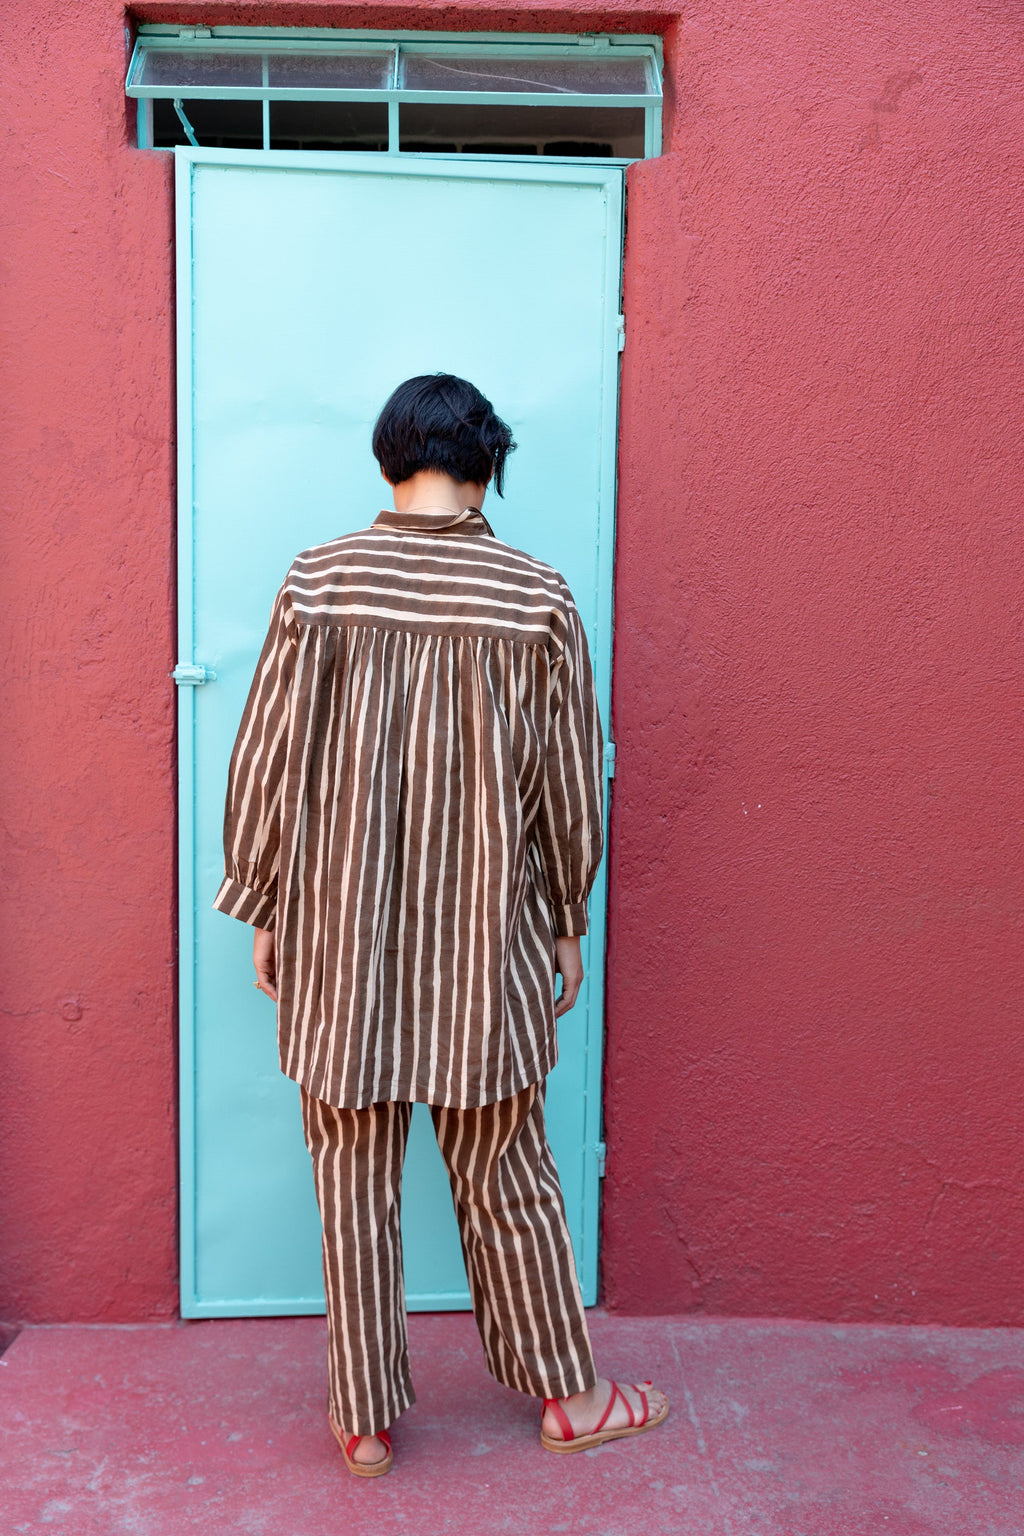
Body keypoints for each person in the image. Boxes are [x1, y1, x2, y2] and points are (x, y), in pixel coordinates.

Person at [213, 373, 668, 1476]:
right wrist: (567, 914)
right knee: (508, 1169)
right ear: (486, 463)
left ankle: (362, 1419)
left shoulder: (319, 581)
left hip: (339, 939)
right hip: (483, 947)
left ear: (389, 459)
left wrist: (261, 900)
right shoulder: (534, 596)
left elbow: (267, 759)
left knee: (349, 1180)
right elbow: (569, 780)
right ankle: (573, 1396)